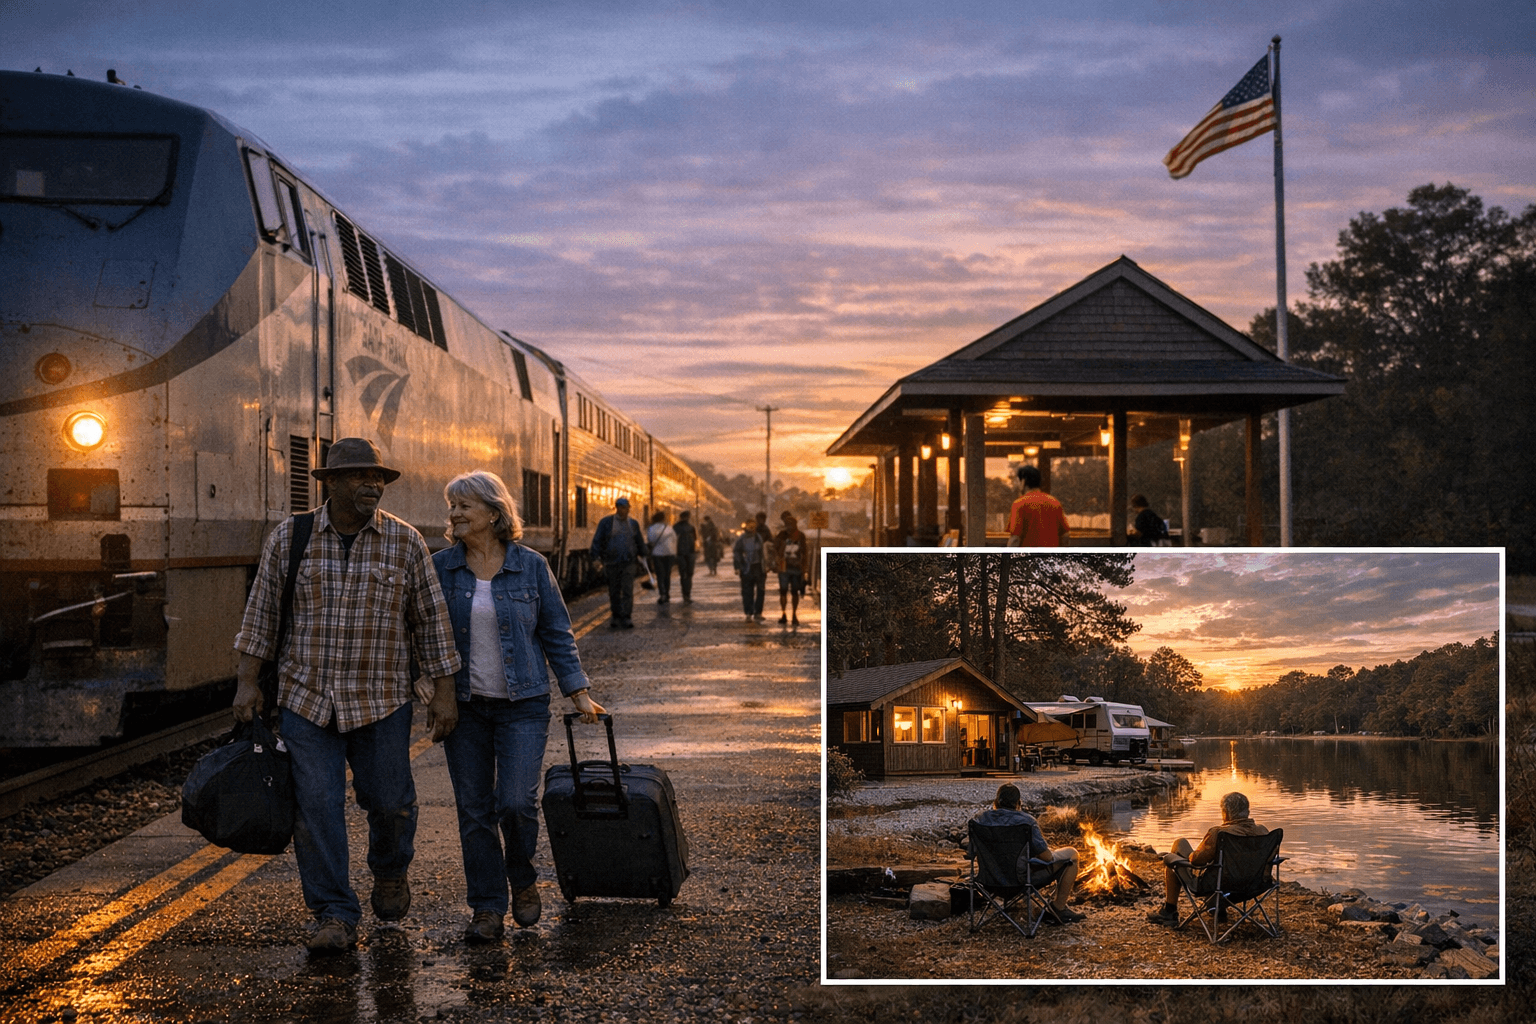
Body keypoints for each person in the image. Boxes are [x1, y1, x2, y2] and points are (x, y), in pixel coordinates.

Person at [232, 437, 462, 953]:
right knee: (316, 807)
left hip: (380, 700)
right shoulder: (289, 539)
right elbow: (261, 617)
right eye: (361, 476)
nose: (373, 485)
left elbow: (431, 623)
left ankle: (388, 868)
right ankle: (333, 913)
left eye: (378, 478)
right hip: (306, 698)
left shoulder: (404, 543)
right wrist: (248, 681)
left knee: (390, 802)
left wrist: (443, 694)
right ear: (330, 483)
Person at [432, 471, 606, 943]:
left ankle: (522, 876)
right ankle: (486, 908)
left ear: (494, 511)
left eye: (465, 505)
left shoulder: (531, 566)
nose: (455, 514)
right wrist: (427, 686)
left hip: (523, 704)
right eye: (452, 506)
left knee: (515, 803)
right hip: (465, 708)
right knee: (474, 811)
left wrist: (578, 691)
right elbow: (423, 632)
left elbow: (556, 631)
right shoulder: (441, 567)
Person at [1147, 791, 1269, 926]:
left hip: (1220, 886)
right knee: (1213, 862)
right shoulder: (1263, 831)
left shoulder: (1219, 833)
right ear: (1247, 811)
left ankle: (1169, 911)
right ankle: (1217, 907)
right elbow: (1270, 859)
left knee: (1175, 856)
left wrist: (1197, 854)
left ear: (1226, 813)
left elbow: (1197, 861)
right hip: (1255, 885)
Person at [969, 783, 1084, 923]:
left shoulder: (978, 820)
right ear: (1019, 803)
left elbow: (971, 853)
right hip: (1020, 882)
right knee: (1072, 854)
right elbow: (1047, 857)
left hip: (989, 882)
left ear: (995, 802)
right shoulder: (1026, 822)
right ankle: (1058, 909)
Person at [589, 497, 647, 628]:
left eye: (625, 508)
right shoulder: (606, 523)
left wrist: (644, 553)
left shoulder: (633, 524)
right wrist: (595, 557)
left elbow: (639, 540)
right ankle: (616, 615)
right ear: (617, 508)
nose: (623, 510)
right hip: (611, 562)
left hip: (628, 562)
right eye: (621, 508)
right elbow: (597, 540)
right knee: (614, 590)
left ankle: (626, 616)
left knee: (627, 589)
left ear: (628, 509)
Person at [1007, 464, 1070, 547]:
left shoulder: (1019, 505)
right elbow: (1065, 535)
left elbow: (1015, 538)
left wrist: (1008, 557)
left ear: (1023, 482)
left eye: (1018, 481)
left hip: (1028, 558)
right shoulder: (1054, 502)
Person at [773, 510, 809, 626]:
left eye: (791, 525)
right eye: (787, 525)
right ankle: (784, 614)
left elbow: (805, 552)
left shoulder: (800, 536)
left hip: (796, 568)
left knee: (794, 592)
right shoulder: (782, 535)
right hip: (784, 568)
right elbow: (775, 550)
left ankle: (793, 614)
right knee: (783, 592)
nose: (789, 527)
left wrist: (804, 569)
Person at [732, 522, 768, 622]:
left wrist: (766, 566)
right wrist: (738, 566)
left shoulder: (758, 538)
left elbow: (764, 553)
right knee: (747, 591)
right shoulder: (742, 539)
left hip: (759, 568)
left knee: (761, 590)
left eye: (753, 526)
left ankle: (758, 613)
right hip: (746, 568)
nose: (751, 529)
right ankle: (748, 613)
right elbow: (737, 552)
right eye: (749, 527)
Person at [646, 510, 678, 604]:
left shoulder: (651, 528)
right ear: (663, 518)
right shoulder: (669, 528)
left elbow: (650, 539)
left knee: (660, 575)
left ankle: (662, 594)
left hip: (657, 554)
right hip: (669, 553)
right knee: (667, 575)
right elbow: (674, 540)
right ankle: (667, 594)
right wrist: (674, 552)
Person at [673, 510, 698, 603]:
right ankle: (687, 594)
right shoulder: (691, 528)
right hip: (689, 553)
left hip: (681, 554)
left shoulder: (675, 527)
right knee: (688, 575)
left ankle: (685, 594)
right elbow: (695, 540)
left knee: (684, 575)